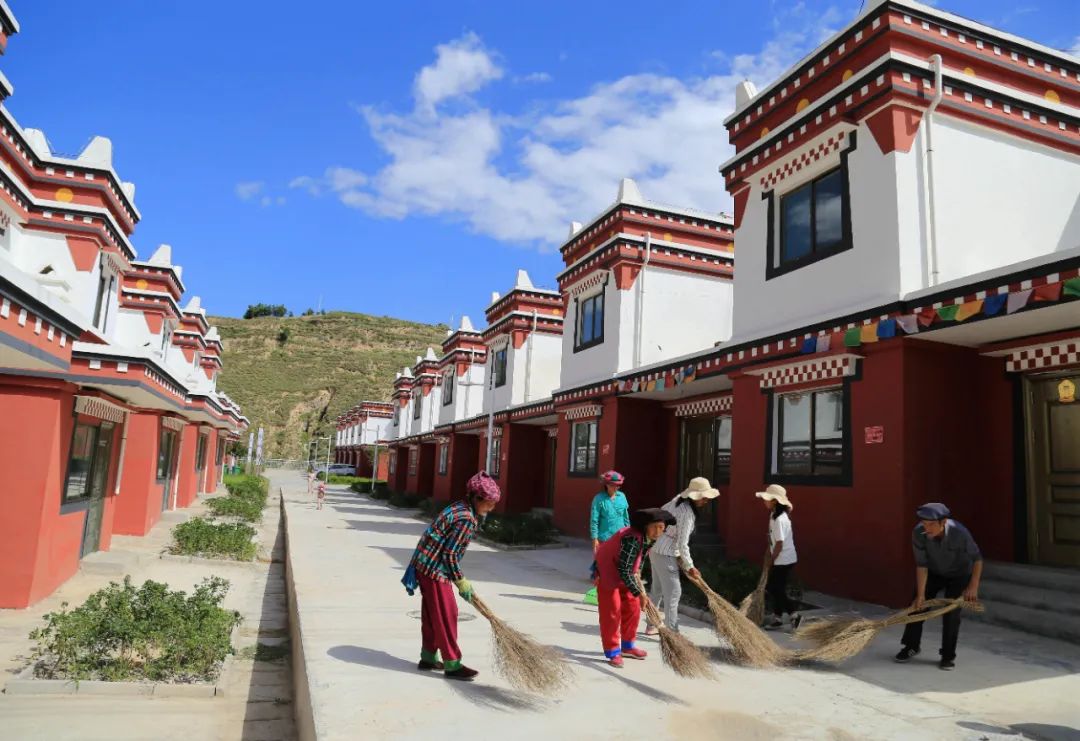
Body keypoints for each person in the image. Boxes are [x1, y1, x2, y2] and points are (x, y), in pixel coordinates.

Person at [400, 471, 501, 681]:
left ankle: (428, 657)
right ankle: (452, 664)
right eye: (489, 504)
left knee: (432, 614)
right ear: (477, 498)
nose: (491, 508)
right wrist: (461, 581)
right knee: (447, 614)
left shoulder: (459, 507)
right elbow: (450, 555)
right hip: (434, 570)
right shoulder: (466, 518)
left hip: (423, 565)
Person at [895, 503, 982, 671]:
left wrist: (973, 585)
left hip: (959, 575)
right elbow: (921, 565)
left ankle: (947, 656)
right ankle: (911, 646)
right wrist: (921, 595)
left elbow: (977, 559)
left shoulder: (960, 532)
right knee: (916, 607)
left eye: (931, 524)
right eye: (924, 523)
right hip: (934, 572)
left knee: (951, 614)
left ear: (944, 522)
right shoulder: (918, 533)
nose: (926, 528)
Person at [594, 507, 675, 667]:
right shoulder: (632, 538)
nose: (658, 531)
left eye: (661, 527)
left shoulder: (649, 538)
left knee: (633, 607)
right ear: (645, 526)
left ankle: (628, 647)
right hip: (608, 569)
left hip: (625, 570)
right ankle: (613, 651)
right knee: (612, 611)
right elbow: (624, 570)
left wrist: (637, 578)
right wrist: (640, 594)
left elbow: (638, 559)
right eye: (655, 527)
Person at [645, 477, 720, 634]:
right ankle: (672, 630)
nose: (706, 500)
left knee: (657, 589)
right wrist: (690, 566)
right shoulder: (687, 513)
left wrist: (680, 557)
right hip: (665, 553)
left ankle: (651, 624)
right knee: (674, 592)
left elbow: (662, 514)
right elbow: (682, 543)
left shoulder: (678, 499)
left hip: (656, 547)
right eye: (703, 497)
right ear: (694, 496)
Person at [756, 484, 801, 631]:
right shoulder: (773, 515)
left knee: (775, 588)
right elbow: (773, 539)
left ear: (775, 501)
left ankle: (794, 615)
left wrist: (771, 560)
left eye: (767, 499)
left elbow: (780, 543)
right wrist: (768, 553)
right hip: (780, 557)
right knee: (775, 588)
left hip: (784, 559)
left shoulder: (780, 519)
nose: (764, 501)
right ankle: (777, 618)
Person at [589, 470, 630, 575]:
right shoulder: (599, 499)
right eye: (613, 485)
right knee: (603, 563)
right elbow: (594, 520)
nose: (616, 488)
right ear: (606, 484)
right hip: (604, 538)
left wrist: (629, 533)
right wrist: (594, 538)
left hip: (620, 536)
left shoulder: (622, 497)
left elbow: (625, 517)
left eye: (618, 486)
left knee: (618, 562)